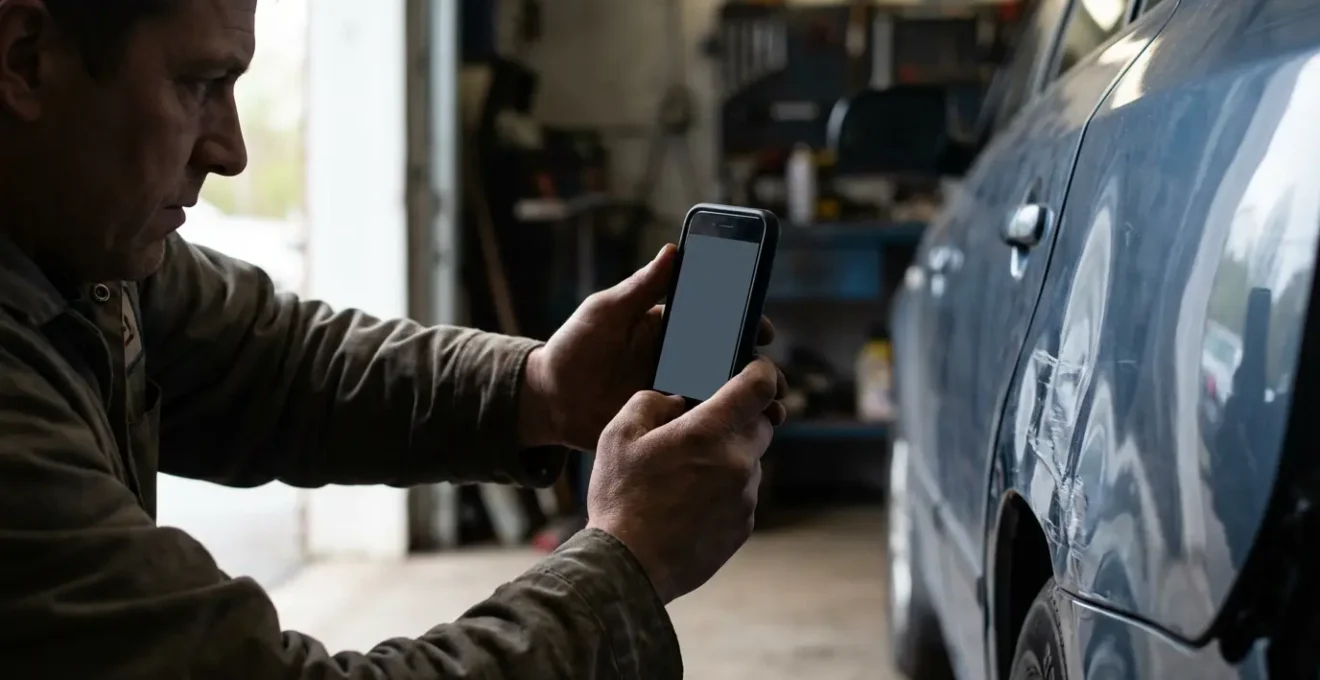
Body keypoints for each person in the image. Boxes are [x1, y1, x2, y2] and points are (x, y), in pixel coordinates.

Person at [0, 0, 789, 677]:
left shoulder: (80, 246)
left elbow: (276, 363)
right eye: (198, 85)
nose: (231, 151)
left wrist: (540, 388)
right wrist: (626, 563)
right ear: (25, 59)